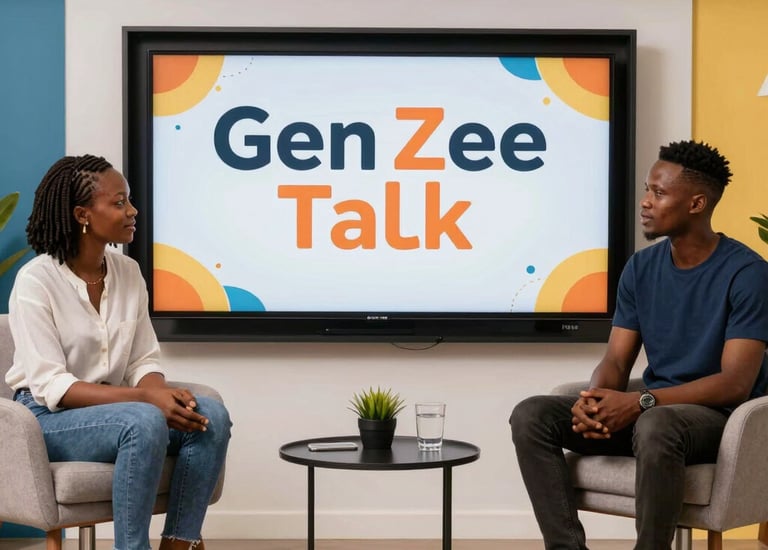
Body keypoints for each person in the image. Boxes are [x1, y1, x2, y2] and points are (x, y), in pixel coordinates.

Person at [510, 139, 768, 549]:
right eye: (648, 189)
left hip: (715, 419)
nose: (646, 202)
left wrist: (640, 402)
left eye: (659, 193)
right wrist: (594, 398)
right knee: (532, 415)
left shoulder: (748, 273)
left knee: (656, 423)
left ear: (697, 204)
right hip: (655, 415)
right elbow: (616, 357)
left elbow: (735, 383)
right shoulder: (641, 267)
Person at [6, 154, 232, 550]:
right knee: (142, 421)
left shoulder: (128, 273)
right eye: (119, 202)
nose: (133, 210)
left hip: (117, 411)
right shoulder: (35, 281)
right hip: (47, 419)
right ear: (82, 214)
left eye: (128, 201)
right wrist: (147, 398)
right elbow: (52, 385)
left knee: (209, 415)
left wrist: (159, 391)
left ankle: (180, 543)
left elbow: (143, 359)